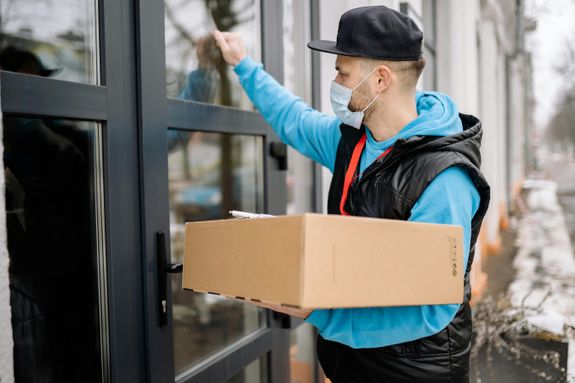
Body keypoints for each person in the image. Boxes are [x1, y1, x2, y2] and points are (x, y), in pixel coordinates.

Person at [213, 5, 490, 382]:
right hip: (349, 363)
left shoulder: (444, 178)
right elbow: (293, 119)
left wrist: (318, 311)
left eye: (342, 72)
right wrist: (243, 64)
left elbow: (428, 308)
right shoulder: (353, 142)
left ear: (380, 80)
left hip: (410, 371)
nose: (337, 83)